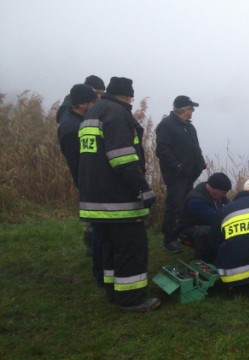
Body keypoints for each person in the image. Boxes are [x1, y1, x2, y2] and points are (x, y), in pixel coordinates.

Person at [78, 76, 160, 312]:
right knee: (130, 248)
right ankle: (131, 298)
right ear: (128, 96)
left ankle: (113, 291)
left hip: (96, 200)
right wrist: (143, 188)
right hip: (119, 200)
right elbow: (122, 158)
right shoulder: (117, 114)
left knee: (110, 248)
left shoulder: (93, 114)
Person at [57, 84, 104, 284]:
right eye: (92, 102)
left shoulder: (78, 120)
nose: (95, 105)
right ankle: (96, 259)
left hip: (89, 179)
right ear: (81, 104)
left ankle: (96, 254)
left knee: (95, 222)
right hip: (86, 180)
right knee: (95, 221)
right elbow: (77, 161)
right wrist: (86, 182)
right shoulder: (70, 128)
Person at [155, 95, 207, 253]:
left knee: (186, 205)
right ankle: (169, 239)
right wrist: (176, 166)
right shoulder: (167, 125)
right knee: (174, 206)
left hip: (190, 173)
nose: (192, 112)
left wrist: (200, 163)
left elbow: (195, 148)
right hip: (176, 175)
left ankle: (184, 233)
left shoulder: (189, 126)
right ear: (184, 110)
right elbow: (162, 149)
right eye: (191, 109)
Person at [175, 172, 231, 263]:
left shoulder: (216, 193)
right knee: (206, 231)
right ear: (214, 189)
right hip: (187, 229)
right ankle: (205, 261)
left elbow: (230, 207)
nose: (225, 195)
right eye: (224, 192)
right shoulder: (196, 201)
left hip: (205, 222)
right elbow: (215, 220)